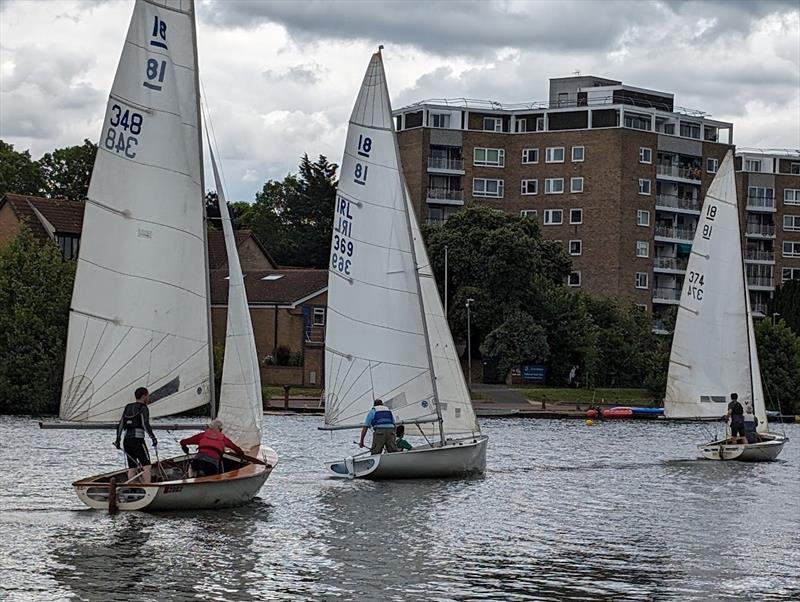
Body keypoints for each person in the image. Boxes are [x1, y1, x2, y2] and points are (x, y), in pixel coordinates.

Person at [114, 387, 157, 482]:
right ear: (144, 396)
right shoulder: (143, 408)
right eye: (147, 396)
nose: (148, 398)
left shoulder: (128, 407)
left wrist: (118, 440)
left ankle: (131, 488)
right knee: (147, 466)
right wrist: (152, 437)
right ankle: (147, 487)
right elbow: (145, 424)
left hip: (126, 441)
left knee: (132, 467)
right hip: (138, 440)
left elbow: (121, 424)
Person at [180, 419, 244, 477]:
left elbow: (184, 442)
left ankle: (190, 479)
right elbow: (235, 448)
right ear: (221, 430)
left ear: (209, 427)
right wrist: (241, 454)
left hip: (198, 460)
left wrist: (184, 447)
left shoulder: (203, 435)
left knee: (192, 467)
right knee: (216, 474)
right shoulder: (223, 438)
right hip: (212, 464)